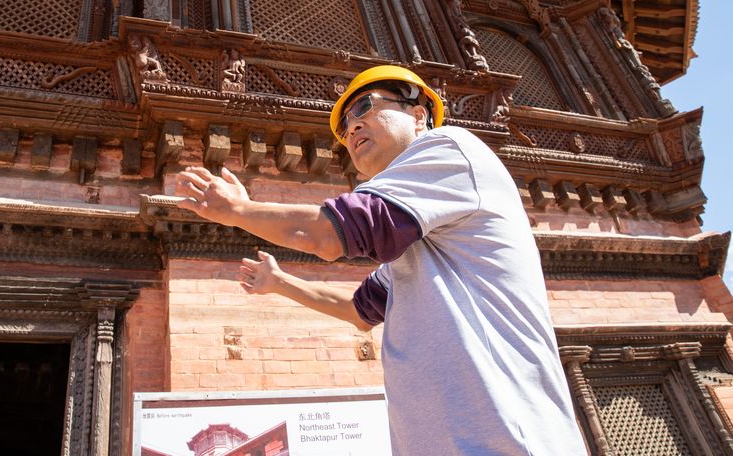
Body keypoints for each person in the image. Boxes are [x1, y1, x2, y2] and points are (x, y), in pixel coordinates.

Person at [175, 65, 587, 456]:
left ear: (419, 114)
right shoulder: (419, 244)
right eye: (343, 128)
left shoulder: (450, 147)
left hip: (506, 442)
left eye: (364, 107)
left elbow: (328, 234)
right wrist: (279, 282)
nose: (351, 127)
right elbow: (358, 311)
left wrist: (237, 211)